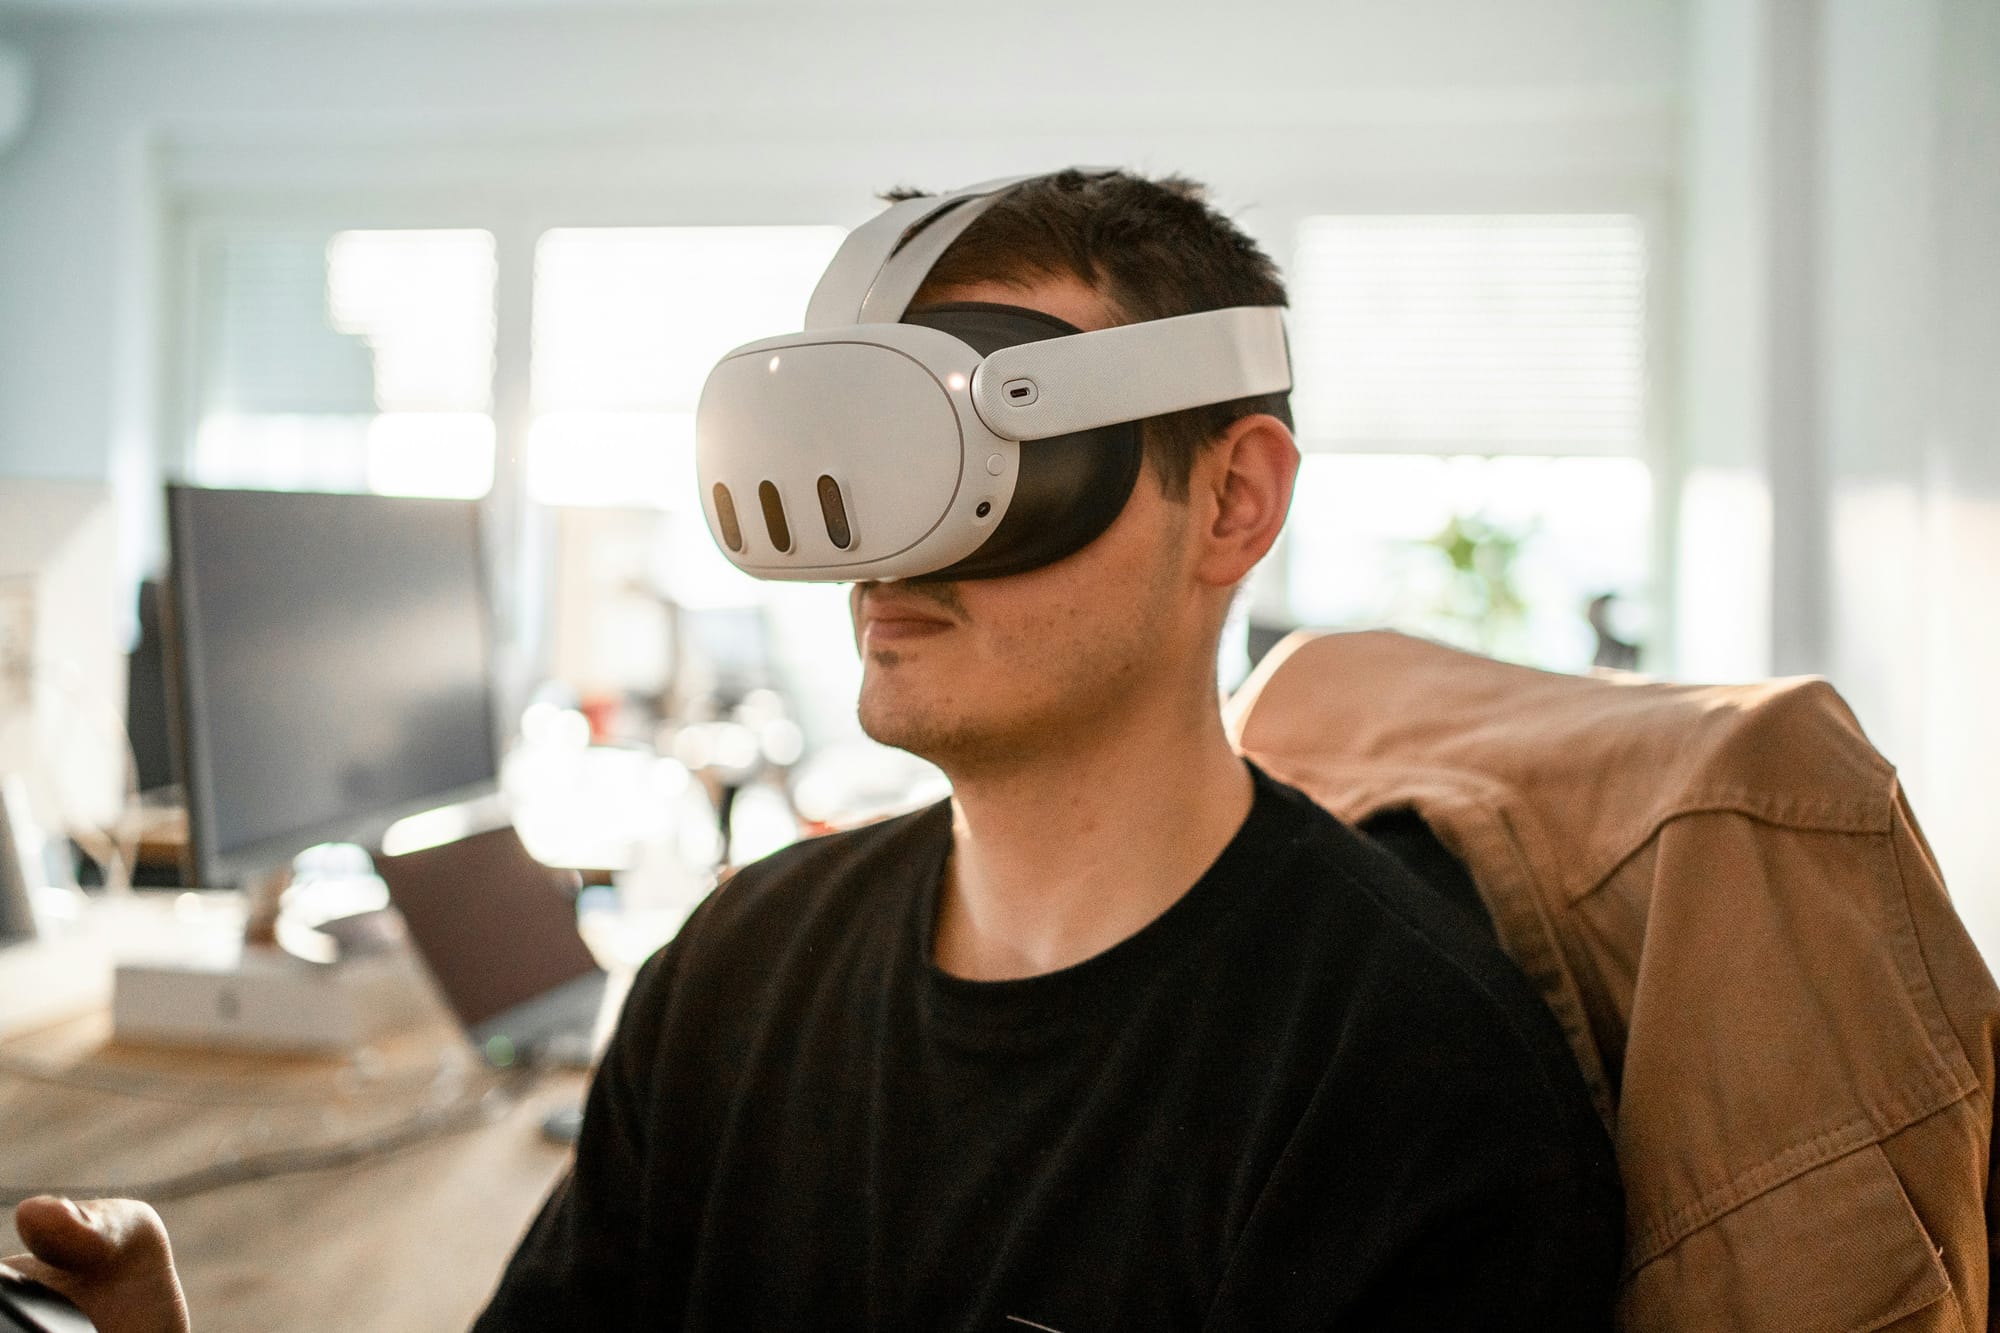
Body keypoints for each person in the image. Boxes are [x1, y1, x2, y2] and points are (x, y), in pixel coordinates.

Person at [6, 169, 1621, 1332]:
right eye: (855, 467)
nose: (880, 555)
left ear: (1235, 500)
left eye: (978, 464)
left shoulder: (1406, 1081)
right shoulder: (736, 968)